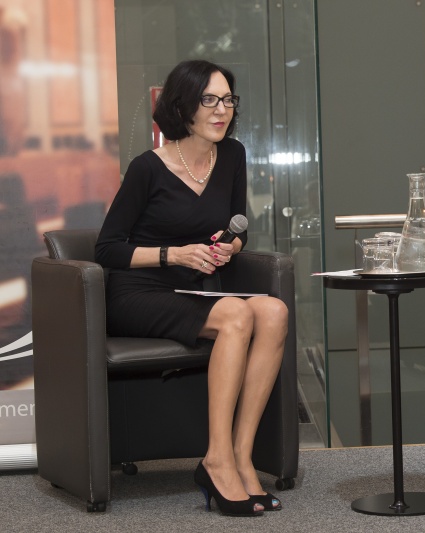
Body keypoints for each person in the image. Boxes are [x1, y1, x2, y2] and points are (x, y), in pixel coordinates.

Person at [95, 60, 288, 517]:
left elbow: (238, 227)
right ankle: (216, 458)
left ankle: (242, 456)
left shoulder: (234, 155)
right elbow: (107, 249)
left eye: (227, 100)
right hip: (137, 292)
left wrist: (229, 247)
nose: (221, 110)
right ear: (183, 107)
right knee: (238, 315)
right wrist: (175, 254)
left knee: (275, 312)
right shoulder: (148, 167)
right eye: (209, 100)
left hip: (193, 292)